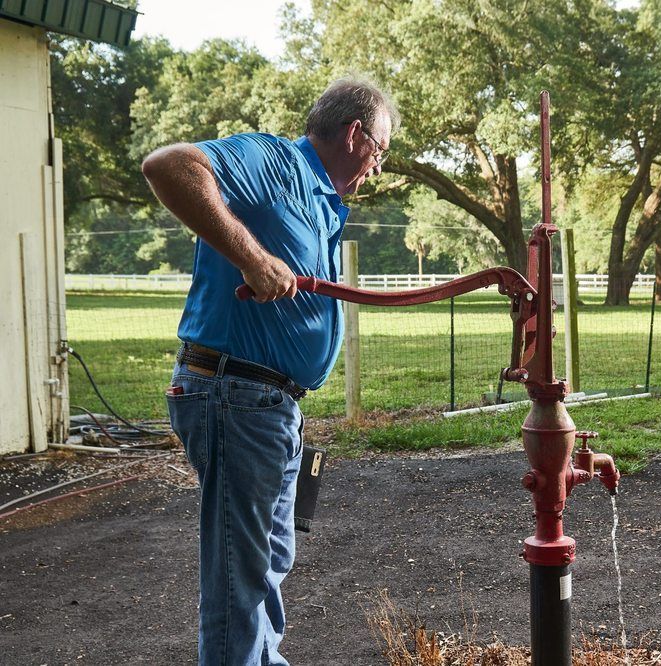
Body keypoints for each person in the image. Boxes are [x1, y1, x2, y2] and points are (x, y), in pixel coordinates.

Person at [141, 76, 399, 666]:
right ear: (356, 135)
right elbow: (167, 165)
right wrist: (253, 258)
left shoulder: (323, 203)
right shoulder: (275, 162)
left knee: (265, 564)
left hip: (272, 405)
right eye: (380, 151)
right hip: (235, 394)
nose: (378, 169)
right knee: (241, 574)